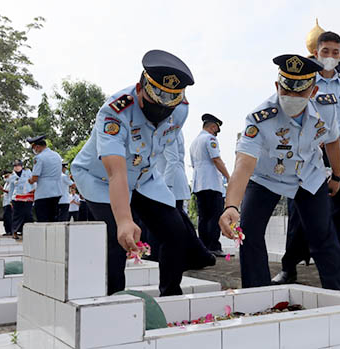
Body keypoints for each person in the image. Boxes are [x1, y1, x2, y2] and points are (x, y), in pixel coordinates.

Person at [71, 49, 214, 296]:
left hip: (144, 178)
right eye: (154, 105)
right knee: (116, 238)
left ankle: (171, 294)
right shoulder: (114, 112)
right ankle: (114, 301)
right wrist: (125, 220)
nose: (161, 113)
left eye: (167, 107)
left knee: (175, 230)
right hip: (101, 179)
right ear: (140, 88)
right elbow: (116, 172)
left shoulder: (180, 108)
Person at [219, 54, 340, 291]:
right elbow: (243, 165)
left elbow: (332, 141)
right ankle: (257, 296)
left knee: (323, 236)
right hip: (268, 178)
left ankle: (339, 295)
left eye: (301, 92)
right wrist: (231, 206)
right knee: (249, 231)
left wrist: (337, 176)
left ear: (313, 90)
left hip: (309, 175)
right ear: (277, 86)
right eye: (287, 91)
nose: (292, 98)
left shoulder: (326, 106)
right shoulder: (259, 118)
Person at [273, 31, 340, 285]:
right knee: (299, 213)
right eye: (325, 51)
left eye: (335, 53)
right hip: (308, 150)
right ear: (316, 52)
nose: (330, 57)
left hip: (339, 152)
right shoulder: (306, 80)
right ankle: (288, 267)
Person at [190, 113, 230, 257]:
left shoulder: (195, 142)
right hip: (211, 183)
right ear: (213, 127)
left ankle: (204, 246)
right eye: (216, 129)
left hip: (199, 184)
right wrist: (229, 177)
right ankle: (214, 246)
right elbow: (216, 160)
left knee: (204, 217)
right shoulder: (210, 139)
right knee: (214, 216)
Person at [27, 135, 63, 222]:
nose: (35, 151)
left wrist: (30, 181)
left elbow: (35, 178)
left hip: (43, 194)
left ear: (38, 147)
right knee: (53, 221)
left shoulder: (39, 158)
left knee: (43, 221)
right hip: (57, 191)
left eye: (34, 148)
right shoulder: (57, 155)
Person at [7, 160, 35, 239]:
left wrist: (35, 192)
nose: (17, 167)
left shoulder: (28, 172)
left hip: (28, 196)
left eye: (18, 165)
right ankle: (15, 232)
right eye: (15, 166)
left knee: (28, 214)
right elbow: (11, 189)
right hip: (17, 198)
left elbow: (33, 182)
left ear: (22, 166)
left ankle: (29, 231)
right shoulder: (12, 176)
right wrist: (10, 200)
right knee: (17, 215)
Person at [0, 171, 13, 236]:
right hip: (5, 203)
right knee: (6, 218)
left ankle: (11, 231)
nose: (5, 178)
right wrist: (1, 195)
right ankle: (8, 231)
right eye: (4, 177)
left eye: (6, 176)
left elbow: (10, 192)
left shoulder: (12, 183)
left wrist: (2, 189)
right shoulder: (6, 184)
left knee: (9, 217)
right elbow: (6, 193)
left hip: (10, 203)